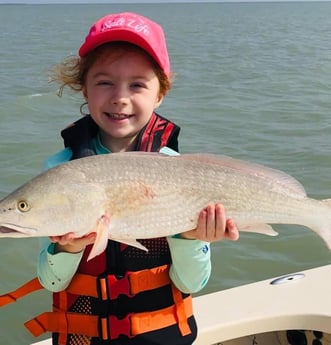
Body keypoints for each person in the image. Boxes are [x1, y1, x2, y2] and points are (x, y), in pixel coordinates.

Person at [33, 12, 239, 345]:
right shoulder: (60, 172)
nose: (120, 97)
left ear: (161, 93)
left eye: (138, 84)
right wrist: (66, 248)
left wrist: (189, 238)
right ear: (83, 88)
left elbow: (191, 282)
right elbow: (52, 283)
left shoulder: (179, 168)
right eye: (104, 82)